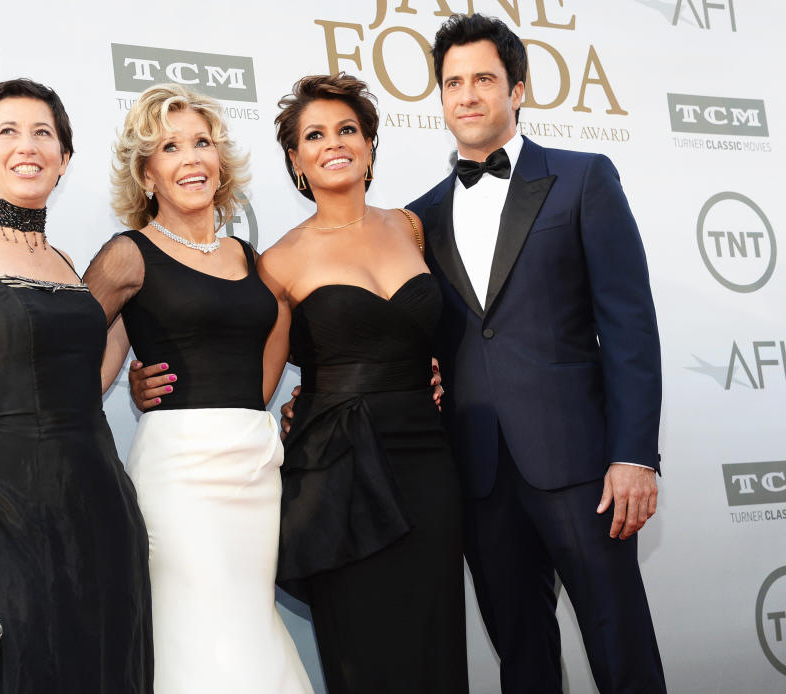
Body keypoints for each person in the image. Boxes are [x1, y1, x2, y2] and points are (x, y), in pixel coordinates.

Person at [406, 13, 667, 693]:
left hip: (584, 468)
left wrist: (635, 454)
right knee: (521, 656)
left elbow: (631, 329)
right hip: (479, 473)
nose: (466, 95)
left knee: (621, 646)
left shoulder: (584, 180)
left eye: (483, 79)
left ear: (517, 89)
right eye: (453, 82)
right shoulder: (417, 218)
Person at [0, 79, 152, 692]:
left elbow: (80, 382)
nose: (28, 146)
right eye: (7, 132)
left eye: (44, 133)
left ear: (64, 159)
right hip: (0, 508)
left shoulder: (69, 264)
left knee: (101, 665)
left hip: (97, 501)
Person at [82, 83, 312, 694]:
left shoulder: (248, 256)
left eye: (201, 142)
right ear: (147, 173)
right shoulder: (129, 255)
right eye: (169, 146)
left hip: (255, 469)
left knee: (249, 625)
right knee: (198, 632)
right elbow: (69, 367)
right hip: (179, 475)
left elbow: (266, 365)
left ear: (221, 159)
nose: (191, 158)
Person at [258, 74, 469, 694]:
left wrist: (439, 373)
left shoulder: (411, 227)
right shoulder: (279, 260)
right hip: (339, 471)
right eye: (314, 135)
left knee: (435, 639)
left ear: (370, 144)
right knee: (364, 652)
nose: (334, 143)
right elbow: (255, 385)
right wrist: (150, 386)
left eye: (347, 129)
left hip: (428, 460)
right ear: (296, 160)